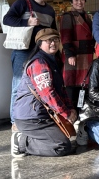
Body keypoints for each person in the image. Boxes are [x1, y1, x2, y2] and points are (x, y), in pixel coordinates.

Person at [11, 28, 76, 158]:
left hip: (43, 115)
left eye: (56, 40)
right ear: (40, 44)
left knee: (68, 139)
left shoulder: (53, 60)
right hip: (31, 118)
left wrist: (70, 109)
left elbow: (61, 89)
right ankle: (21, 142)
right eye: (49, 40)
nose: (53, 43)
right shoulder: (39, 63)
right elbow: (48, 93)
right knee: (62, 146)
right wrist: (66, 113)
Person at [3, 0, 57, 126]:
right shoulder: (22, 3)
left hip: (42, 54)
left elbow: (52, 31)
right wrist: (27, 22)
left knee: (41, 85)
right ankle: (15, 122)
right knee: (18, 86)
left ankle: (33, 117)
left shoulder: (50, 10)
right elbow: (7, 19)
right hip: (23, 51)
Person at [59, 0, 94, 106]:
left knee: (83, 83)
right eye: (76, 0)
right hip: (74, 54)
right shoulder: (67, 16)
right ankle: (70, 109)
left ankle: (80, 109)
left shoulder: (87, 16)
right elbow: (65, 37)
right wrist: (69, 54)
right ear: (71, 2)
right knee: (71, 82)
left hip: (86, 54)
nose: (79, 2)